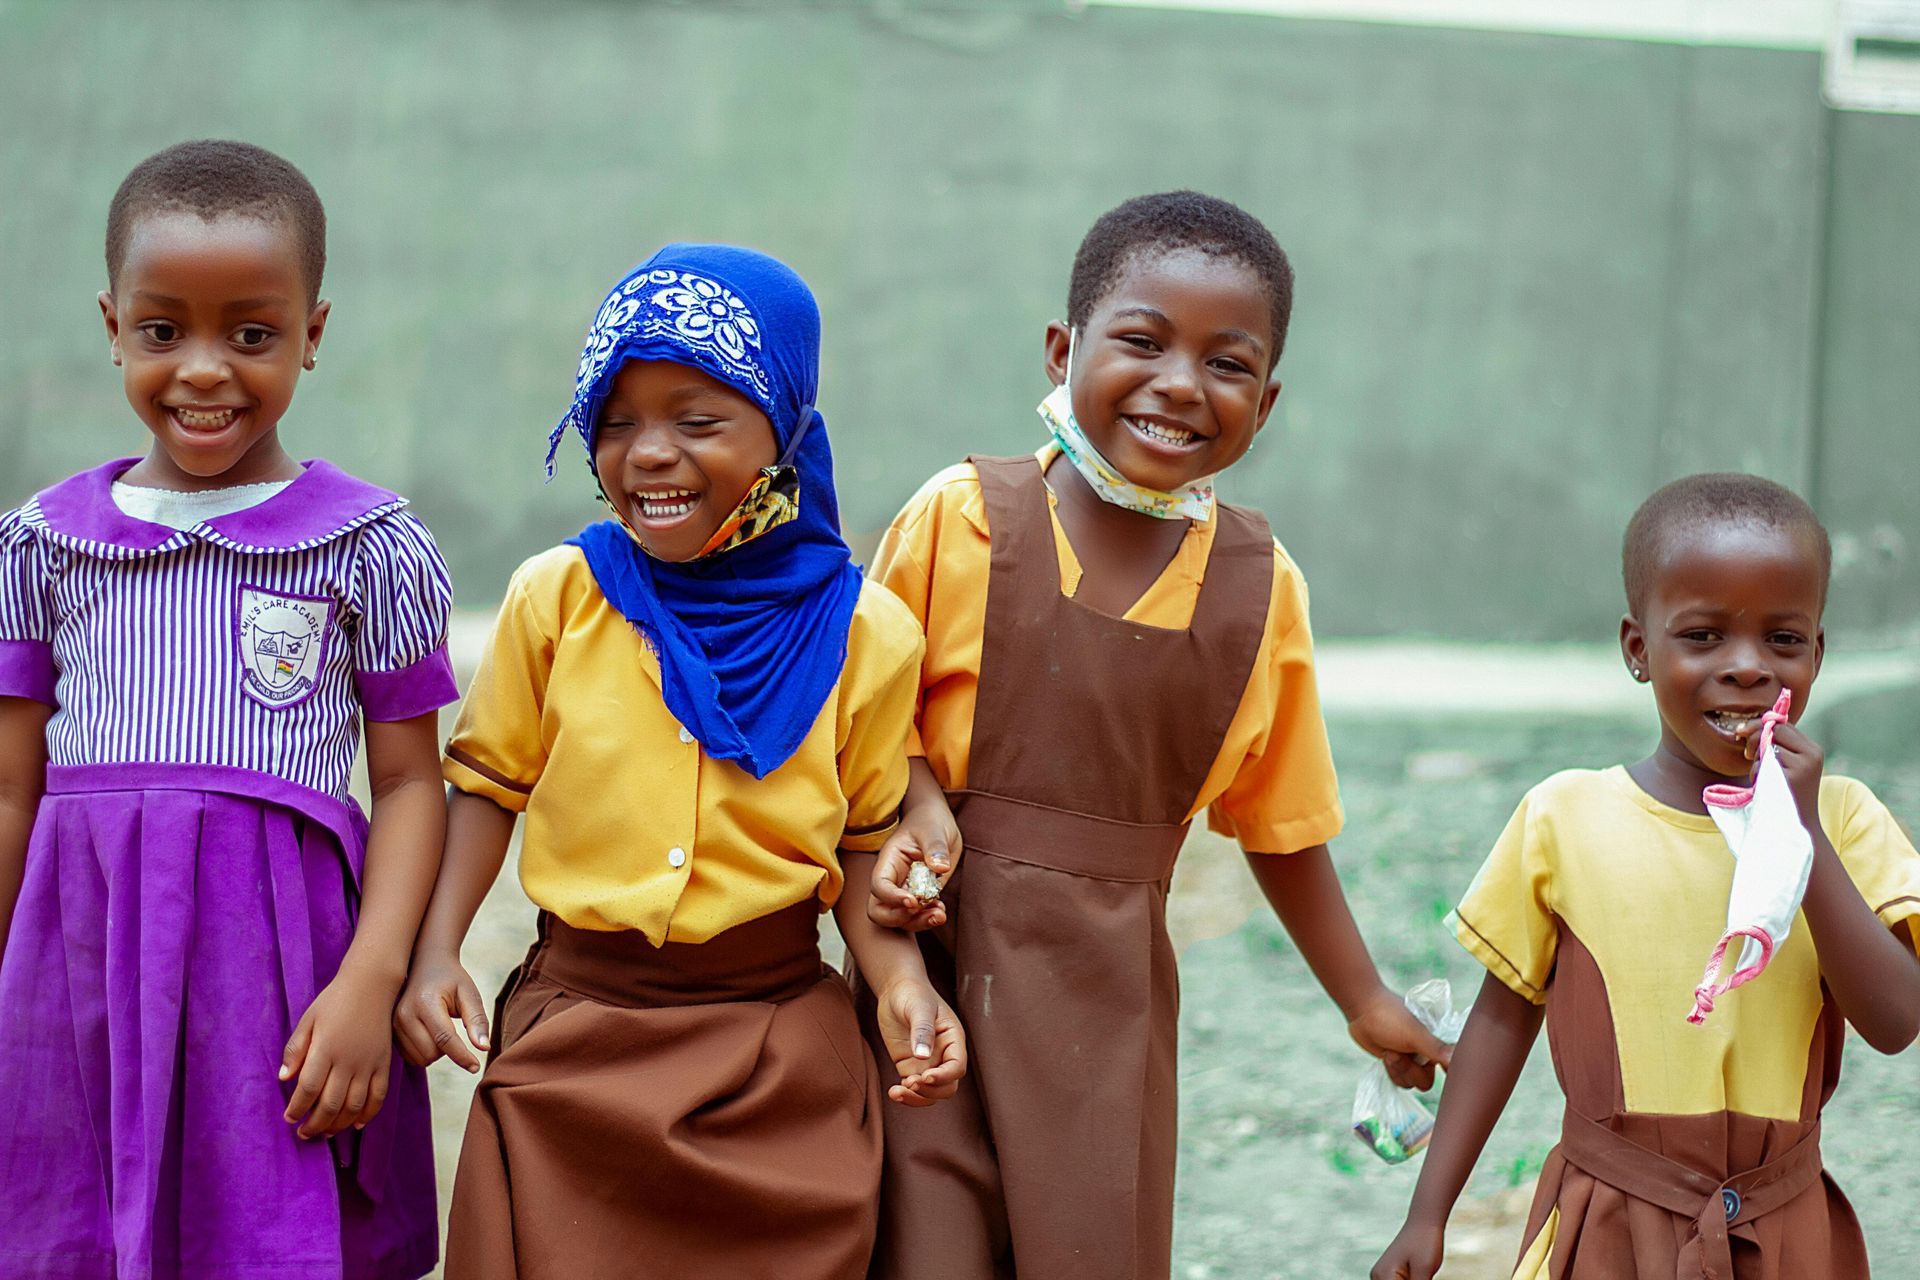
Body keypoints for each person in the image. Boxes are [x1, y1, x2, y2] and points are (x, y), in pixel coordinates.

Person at [856, 190, 1452, 1280]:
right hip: (928, 980)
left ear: (1266, 403)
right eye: (1141, 341)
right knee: (917, 1243)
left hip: (1108, 1015)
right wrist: (912, 789)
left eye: (1226, 364)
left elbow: (1281, 825)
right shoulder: (960, 519)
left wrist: (1366, 999)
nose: (1181, 384)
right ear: (1061, 347)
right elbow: (855, 730)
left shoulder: (1259, 589)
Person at [395, 244, 967, 1280]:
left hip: (778, 1063)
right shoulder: (556, 597)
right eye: (615, 422)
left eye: (698, 419)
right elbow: (484, 786)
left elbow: (867, 842)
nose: (648, 452)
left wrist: (898, 987)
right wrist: (436, 951)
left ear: (784, 425)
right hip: (575, 1045)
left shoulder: (866, 632)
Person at [0, 140, 455, 1280]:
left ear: (312, 331)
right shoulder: (42, 545)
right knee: (72, 1233)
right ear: (112, 326)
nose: (204, 370)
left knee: (272, 1233)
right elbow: (12, 788)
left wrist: (371, 977)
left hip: (285, 983)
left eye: (251, 333)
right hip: (79, 972)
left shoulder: (368, 545)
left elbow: (407, 782)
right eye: (164, 331)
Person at [1373, 474, 1920, 1280]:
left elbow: (1896, 1021)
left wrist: (1800, 837)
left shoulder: (1845, 821)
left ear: (1817, 653)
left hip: (1783, 1229)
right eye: (1702, 637)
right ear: (1638, 650)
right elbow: (1500, 1023)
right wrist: (1428, 1214)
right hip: (1612, 1223)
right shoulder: (1566, 818)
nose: (1747, 669)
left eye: (1783, 640)